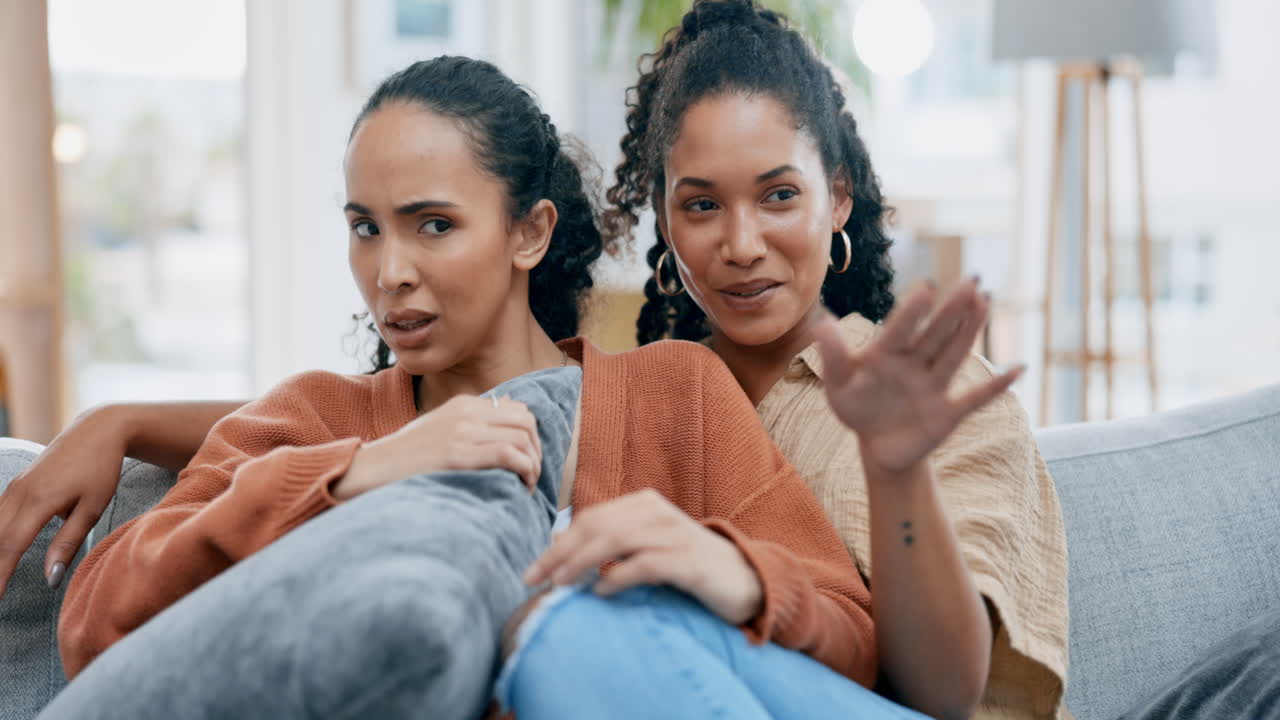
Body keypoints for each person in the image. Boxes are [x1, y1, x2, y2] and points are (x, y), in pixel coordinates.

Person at [20, 55, 898, 720]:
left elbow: (855, 644)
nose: (389, 271)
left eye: (433, 225)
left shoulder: (678, 394)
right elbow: (93, 624)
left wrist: (734, 571)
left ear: (528, 232)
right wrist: (358, 474)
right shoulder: (315, 419)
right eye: (365, 228)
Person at [606, 2, 1069, 717]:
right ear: (665, 220)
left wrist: (897, 470)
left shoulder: (936, 397)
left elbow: (949, 695)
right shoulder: (644, 404)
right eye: (701, 207)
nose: (742, 244)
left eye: (779, 196)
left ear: (839, 198)